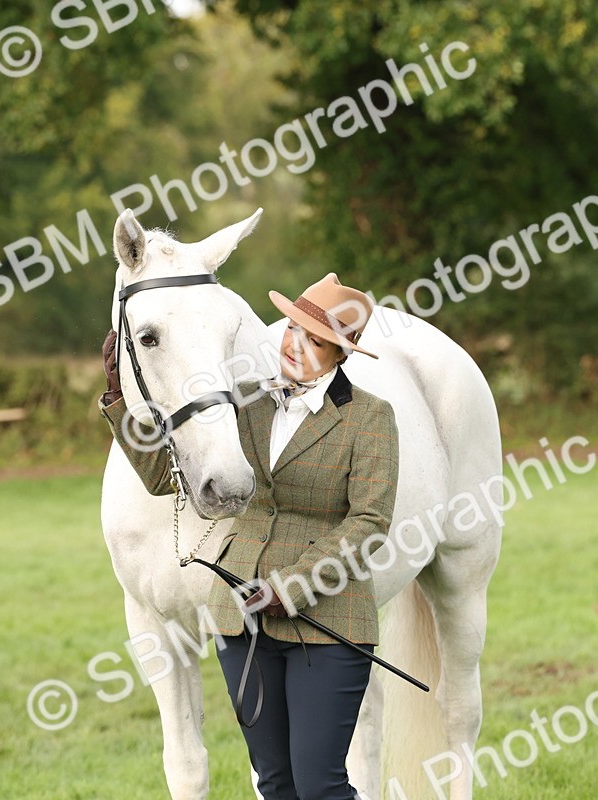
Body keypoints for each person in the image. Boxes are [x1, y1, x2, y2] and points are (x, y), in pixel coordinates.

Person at [98, 272, 400, 799]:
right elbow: (165, 478)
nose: (295, 345)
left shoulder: (369, 418)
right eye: (294, 330)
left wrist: (292, 586)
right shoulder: (247, 407)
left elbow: (370, 522)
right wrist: (117, 399)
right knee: (275, 783)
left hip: (327, 622)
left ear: (340, 356)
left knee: (320, 784)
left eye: (316, 342)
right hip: (243, 625)